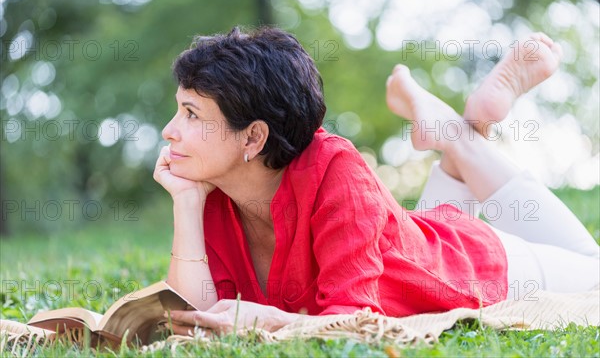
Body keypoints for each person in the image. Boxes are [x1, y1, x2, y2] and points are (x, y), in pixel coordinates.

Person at [153, 27, 599, 336]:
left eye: (191, 114)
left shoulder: (336, 171)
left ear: (253, 136)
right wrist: (186, 203)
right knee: (415, 242)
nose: (169, 130)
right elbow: (194, 319)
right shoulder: (216, 193)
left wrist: (266, 321)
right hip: (417, 244)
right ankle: (464, 127)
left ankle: (458, 134)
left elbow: (353, 319)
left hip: (475, 266)